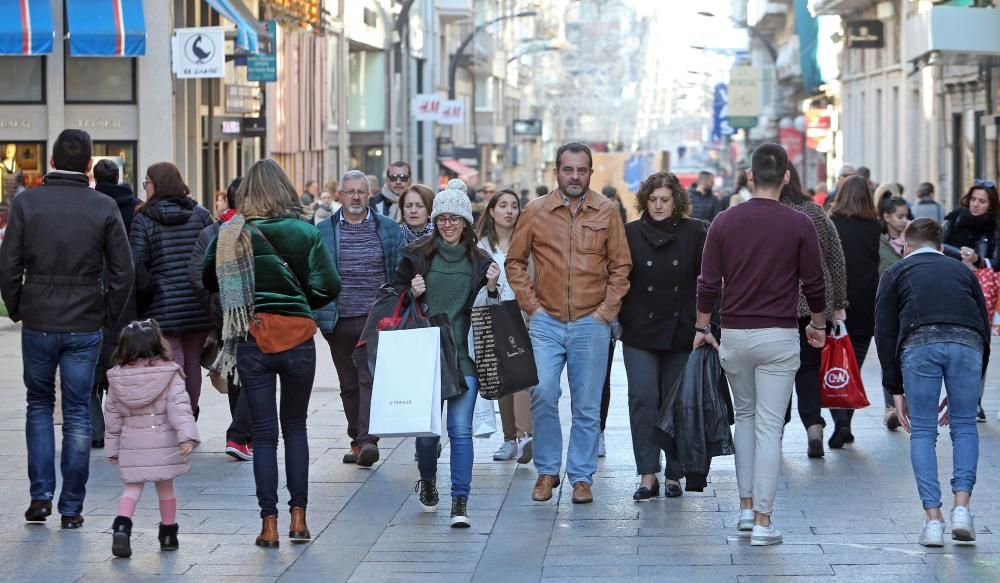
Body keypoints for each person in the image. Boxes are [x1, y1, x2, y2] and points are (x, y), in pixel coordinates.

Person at [0, 129, 134, 528]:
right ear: (89, 165)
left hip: (40, 317)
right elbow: (123, 271)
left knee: (39, 405)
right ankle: (72, 506)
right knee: (77, 411)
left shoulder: (27, 203)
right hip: (84, 319)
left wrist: (18, 306)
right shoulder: (103, 206)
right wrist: (108, 312)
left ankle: (41, 494)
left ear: (52, 162)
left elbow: (8, 264)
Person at [203, 159, 340, 548]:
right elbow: (329, 285)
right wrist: (300, 303)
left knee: (263, 436)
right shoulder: (305, 232)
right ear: (285, 190)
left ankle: (269, 524)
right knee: (295, 426)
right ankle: (300, 518)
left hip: (251, 338)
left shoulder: (232, 233)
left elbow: (206, 277)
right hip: (297, 340)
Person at [695, 143, 826, 546]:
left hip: (734, 334)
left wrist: (702, 326)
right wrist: (817, 325)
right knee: (771, 427)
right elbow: (815, 282)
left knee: (747, 420)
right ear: (786, 176)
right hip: (779, 334)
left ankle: (746, 509)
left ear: (749, 176)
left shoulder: (723, 221)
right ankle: (765, 522)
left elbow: (708, 283)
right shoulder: (800, 223)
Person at [506, 142, 632, 504]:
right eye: (568, 170)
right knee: (543, 392)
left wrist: (606, 312)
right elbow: (515, 261)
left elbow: (621, 265)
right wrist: (532, 306)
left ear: (590, 173)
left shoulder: (606, 211)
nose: (574, 176)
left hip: (591, 322)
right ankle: (547, 471)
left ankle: (581, 477)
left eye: (581, 170)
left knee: (587, 404)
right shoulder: (535, 211)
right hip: (546, 320)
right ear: (556, 171)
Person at [876, 218, 989, 548]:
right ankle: (963, 510)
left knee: (923, 430)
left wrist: (894, 388)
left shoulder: (896, 272)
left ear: (906, 246)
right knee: (965, 425)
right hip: (967, 343)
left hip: (919, 343)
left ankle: (933, 520)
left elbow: (884, 332)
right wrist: (974, 382)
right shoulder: (963, 272)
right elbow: (982, 326)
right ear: (941, 247)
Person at [392, 179, 499, 528]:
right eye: (442, 218)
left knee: (460, 429)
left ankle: (460, 501)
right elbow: (391, 298)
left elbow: (495, 311)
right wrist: (410, 292)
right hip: (426, 356)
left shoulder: (481, 261)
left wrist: (494, 287)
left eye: (455, 218)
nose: (448, 224)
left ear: (466, 222)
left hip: (464, 357)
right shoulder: (417, 254)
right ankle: (427, 479)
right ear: (434, 220)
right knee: (427, 433)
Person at [619, 171, 707, 500]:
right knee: (642, 399)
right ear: (644, 200)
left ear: (676, 202)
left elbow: (706, 280)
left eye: (664, 200)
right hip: (639, 329)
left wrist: (704, 324)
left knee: (677, 404)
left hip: (681, 330)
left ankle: (674, 473)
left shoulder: (695, 232)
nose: (658, 205)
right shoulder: (629, 233)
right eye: (653, 199)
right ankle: (647, 474)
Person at [315, 170, 405, 467]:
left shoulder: (389, 229)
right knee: (348, 383)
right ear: (339, 195)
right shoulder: (323, 231)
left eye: (361, 192)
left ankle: (367, 441)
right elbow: (313, 273)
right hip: (338, 318)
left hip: (375, 318)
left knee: (369, 377)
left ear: (370, 195)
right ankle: (357, 440)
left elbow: (399, 270)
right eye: (349, 191)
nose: (355, 197)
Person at [104, 319, 200, 558]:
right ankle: (168, 534)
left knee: (131, 488)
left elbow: (112, 416)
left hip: (132, 443)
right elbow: (180, 408)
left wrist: (112, 448)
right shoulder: (170, 374)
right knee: (166, 489)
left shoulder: (117, 378)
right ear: (159, 344)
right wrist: (187, 437)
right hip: (163, 442)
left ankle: (122, 526)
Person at [131, 162, 214, 416]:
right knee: (191, 363)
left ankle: (176, 419)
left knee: (171, 363)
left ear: (158, 185)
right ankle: (188, 416)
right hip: (198, 305)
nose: (145, 188)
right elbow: (212, 255)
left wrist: (150, 290)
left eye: (147, 182)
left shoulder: (143, 219)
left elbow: (135, 263)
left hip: (163, 306)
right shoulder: (200, 215)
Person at [779, 163, 848, 459]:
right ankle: (813, 427)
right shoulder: (814, 211)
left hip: (775, 305)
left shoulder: (765, 213)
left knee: (777, 371)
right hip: (813, 302)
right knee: (808, 368)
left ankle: (776, 430)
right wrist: (838, 303)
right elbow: (835, 258)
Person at [188, 177, 254, 461]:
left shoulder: (212, 232)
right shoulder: (244, 232)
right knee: (246, 373)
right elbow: (198, 277)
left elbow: (196, 277)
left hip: (228, 316)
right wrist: (219, 307)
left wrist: (216, 305)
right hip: (240, 315)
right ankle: (240, 436)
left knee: (238, 373)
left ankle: (242, 436)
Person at [476, 188, 533, 463]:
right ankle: (510, 438)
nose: (509, 211)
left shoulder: (527, 243)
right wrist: (489, 284)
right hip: (494, 314)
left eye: (514, 206)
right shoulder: (480, 246)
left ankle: (524, 436)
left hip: (524, 315)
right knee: (503, 379)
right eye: (503, 205)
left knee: (522, 374)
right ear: (492, 211)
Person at [827, 176, 884, 446]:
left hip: (835, 303)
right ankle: (844, 423)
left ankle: (839, 421)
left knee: (833, 364)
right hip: (865, 305)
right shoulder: (874, 227)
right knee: (854, 366)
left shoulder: (832, 223)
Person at [91, 159, 142, 449]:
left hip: (94, 292)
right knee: (120, 368)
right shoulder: (134, 206)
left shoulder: (91, 204)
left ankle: (97, 430)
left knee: (91, 371)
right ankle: (120, 429)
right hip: (126, 297)